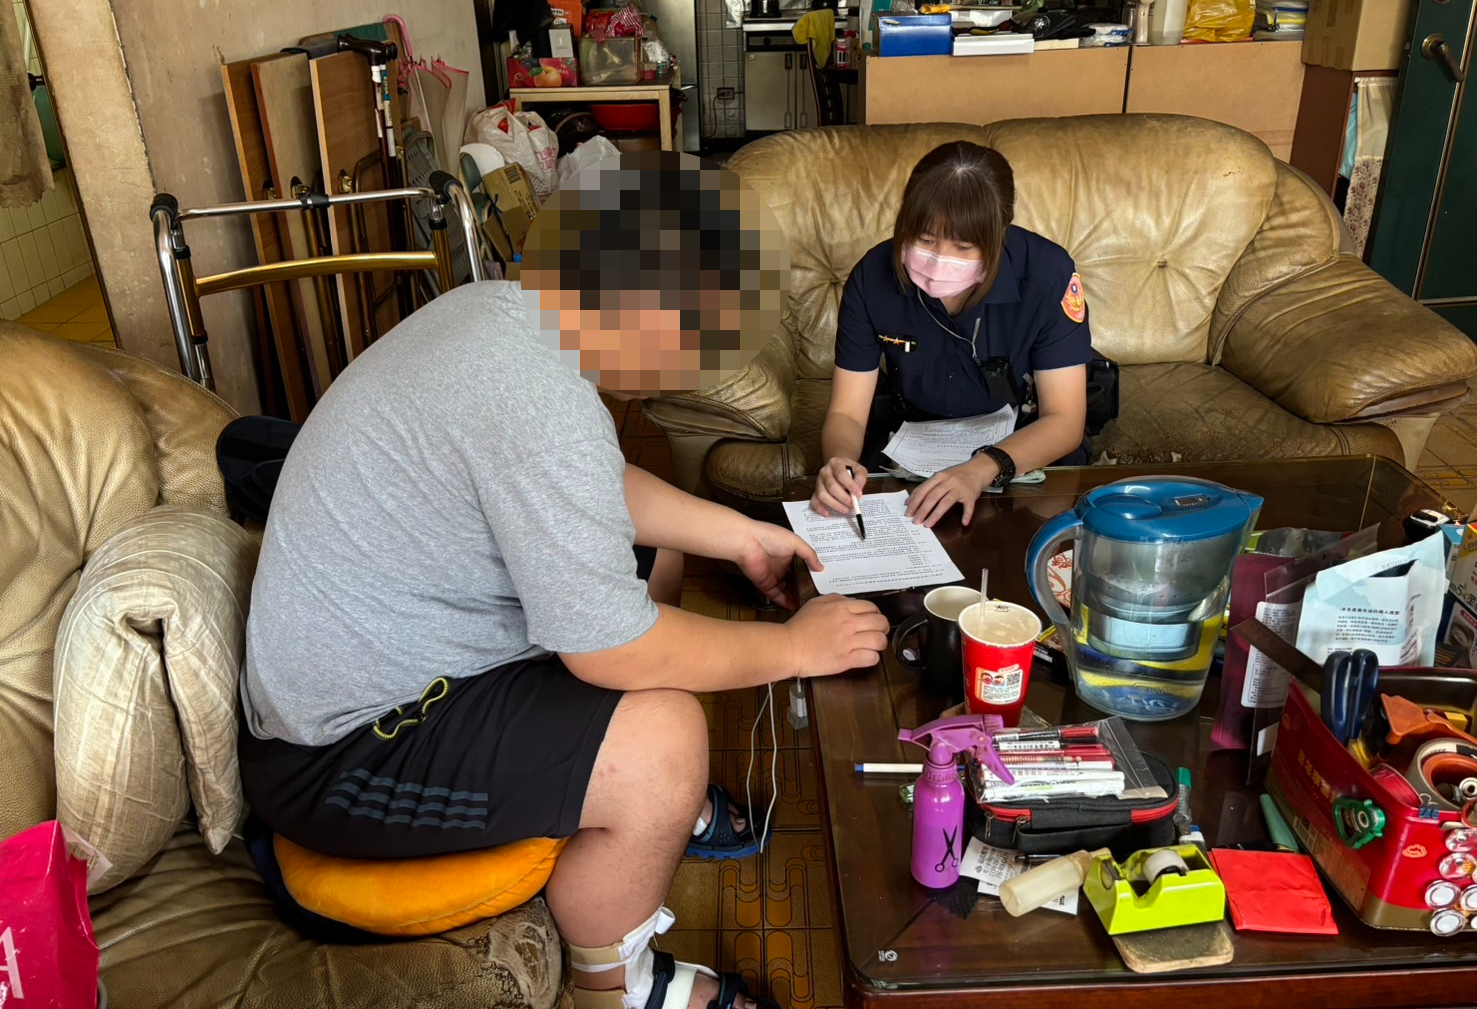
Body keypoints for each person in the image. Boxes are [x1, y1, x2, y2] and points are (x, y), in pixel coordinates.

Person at [238, 157, 890, 1009]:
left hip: (407, 663)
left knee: (653, 559)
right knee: (666, 742)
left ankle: (625, 805)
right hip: (340, 753)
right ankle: (619, 984)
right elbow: (612, 650)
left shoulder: (500, 315)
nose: (697, 371)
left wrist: (738, 536)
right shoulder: (537, 399)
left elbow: (589, 485)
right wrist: (794, 650)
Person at [810, 140, 1092, 530]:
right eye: (925, 240)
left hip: (1019, 449)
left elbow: (1064, 420)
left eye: (963, 246)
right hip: (912, 442)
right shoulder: (872, 277)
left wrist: (981, 468)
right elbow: (846, 413)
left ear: (1000, 233)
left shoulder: (1048, 273)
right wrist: (839, 462)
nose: (939, 259)